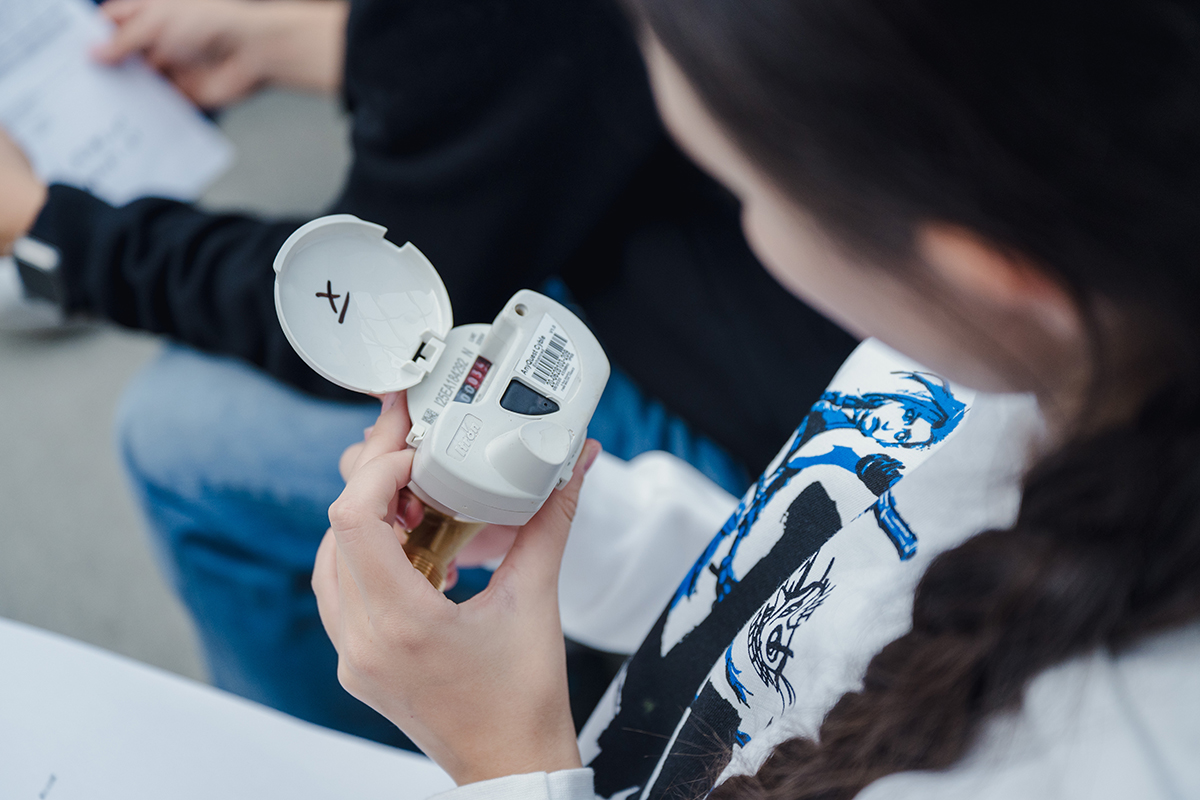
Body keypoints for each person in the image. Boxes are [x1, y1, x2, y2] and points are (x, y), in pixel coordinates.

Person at [313, 2, 1200, 799]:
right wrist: (589, 542)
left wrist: (503, 763)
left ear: (981, 271)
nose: (746, 222)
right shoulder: (1003, 346)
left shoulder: (1114, 761)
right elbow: (832, 598)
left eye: (743, 193)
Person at [0, 0, 858, 747]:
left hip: (777, 430)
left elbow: (373, 290)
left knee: (175, 431)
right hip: (707, 309)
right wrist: (315, 41)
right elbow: (547, 57)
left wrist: (51, 228)